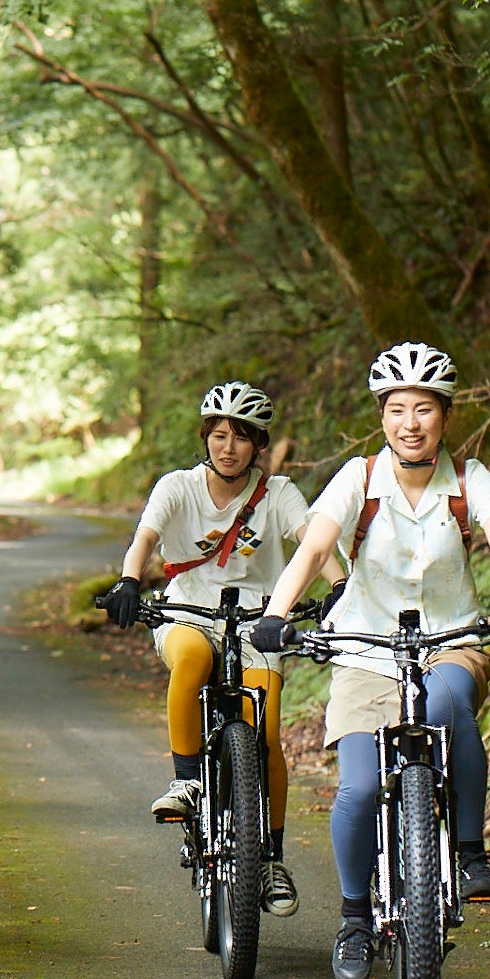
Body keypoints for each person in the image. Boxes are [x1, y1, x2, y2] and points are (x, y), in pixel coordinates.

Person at [249, 343, 490, 979]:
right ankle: (354, 917)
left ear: (444, 417)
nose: (410, 422)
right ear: (383, 416)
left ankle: (472, 851)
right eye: (398, 409)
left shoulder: (471, 480)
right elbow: (313, 550)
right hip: (365, 649)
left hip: (451, 640)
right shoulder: (358, 479)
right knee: (361, 787)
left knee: (447, 703)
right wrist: (277, 615)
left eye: (424, 408)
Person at [99, 381, 328, 917]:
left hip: (259, 619)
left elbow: (314, 540)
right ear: (206, 437)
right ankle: (185, 784)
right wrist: (130, 580)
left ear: (259, 445)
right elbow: (145, 538)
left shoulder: (279, 494)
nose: (229, 447)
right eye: (220, 435)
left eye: (242, 438)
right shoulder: (177, 487)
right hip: (188, 610)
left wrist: (339, 586)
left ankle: (269, 856)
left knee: (266, 725)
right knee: (194, 660)